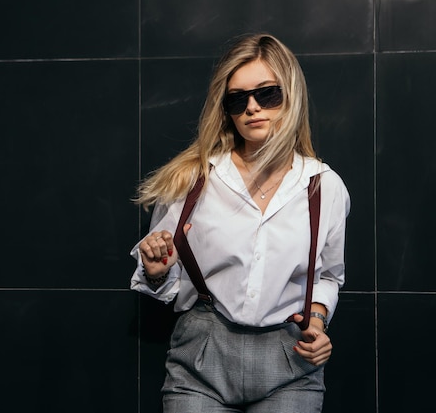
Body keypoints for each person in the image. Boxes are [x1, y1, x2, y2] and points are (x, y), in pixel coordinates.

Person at [129, 33, 350, 413]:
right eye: (237, 99)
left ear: (291, 96)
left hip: (290, 360)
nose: (252, 107)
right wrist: (156, 271)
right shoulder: (193, 179)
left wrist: (317, 321)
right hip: (201, 355)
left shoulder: (323, 186)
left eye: (267, 94)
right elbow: (162, 274)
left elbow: (328, 274)